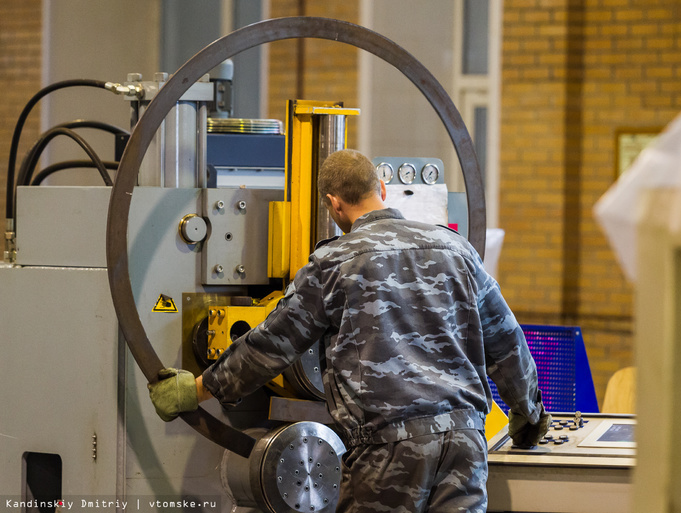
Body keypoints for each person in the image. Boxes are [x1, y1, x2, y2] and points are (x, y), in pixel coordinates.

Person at [149, 149, 550, 512]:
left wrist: (198, 388)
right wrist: (528, 413)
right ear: (383, 190)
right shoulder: (456, 249)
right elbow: (507, 339)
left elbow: (272, 344)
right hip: (465, 441)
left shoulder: (334, 263)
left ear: (332, 204)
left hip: (389, 447)